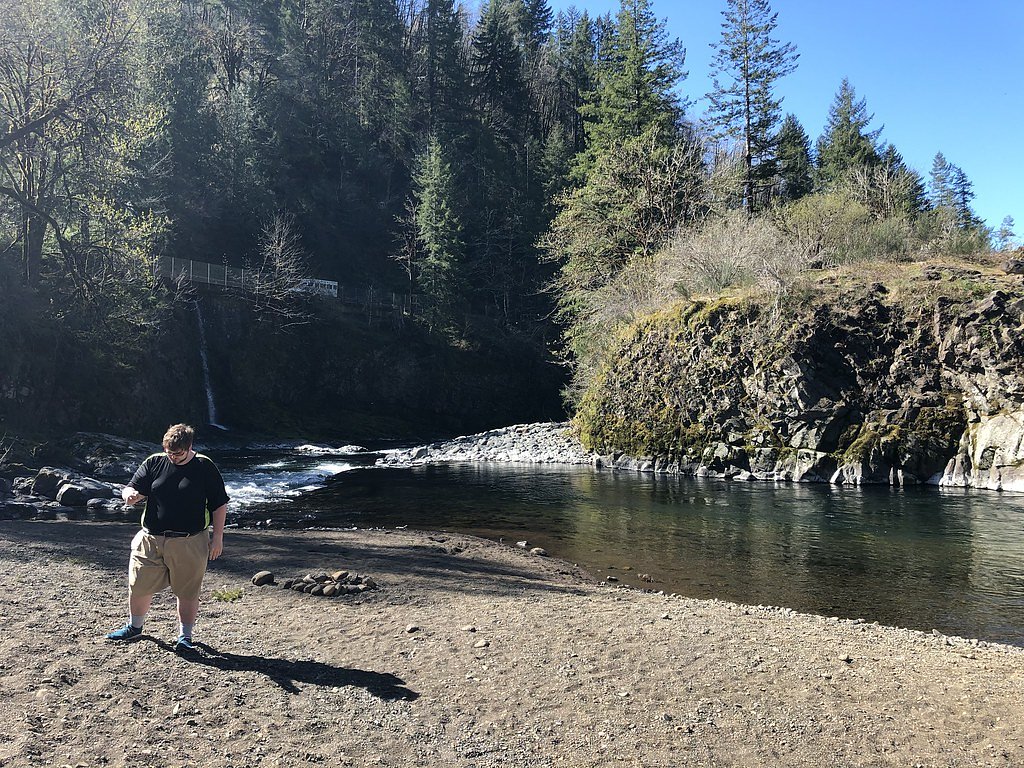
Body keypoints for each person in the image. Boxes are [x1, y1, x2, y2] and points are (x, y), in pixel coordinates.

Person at [105, 423, 229, 652]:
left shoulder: (204, 466)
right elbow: (133, 487)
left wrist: (218, 537)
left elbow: (219, 504)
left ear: (190, 447)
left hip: (190, 541)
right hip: (150, 538)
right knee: (138, 584)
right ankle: (134, 627)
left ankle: (185, 637)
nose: (172, 457)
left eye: (177, 453)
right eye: (169, 452)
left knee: (187, 590)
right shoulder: (155, 462)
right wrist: (129, 495)